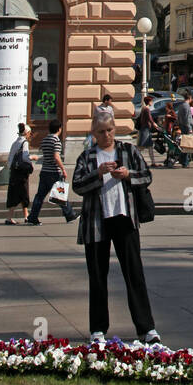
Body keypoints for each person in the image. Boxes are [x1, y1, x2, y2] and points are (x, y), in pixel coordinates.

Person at [72, 109, 160, 345]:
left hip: (125, 218)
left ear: (115, 129)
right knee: (98, 276)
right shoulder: (87, 156)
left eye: (109, 130)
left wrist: (128, 174)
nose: (106, 135)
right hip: (96, 222)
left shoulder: (127, 151)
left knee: (134, 273)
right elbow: (77, 186)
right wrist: (98, 174)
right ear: (94, 133)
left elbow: (146, 176)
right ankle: (98, 329)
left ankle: (146, 328)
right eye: (101, 132)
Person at [27, 120, 77, 225]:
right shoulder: (56, 141)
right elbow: (56, 156)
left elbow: (45, 155)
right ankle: (70, 215)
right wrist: (63, 169)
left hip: (44, 171)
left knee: (40, 196)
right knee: (60, 195)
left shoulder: (45, 140)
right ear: (59, 129)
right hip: (54, 172)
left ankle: (33, 217)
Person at [5, 123, 33, 224]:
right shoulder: (24, 143)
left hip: (14, 172)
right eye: (30, 133)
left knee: (16, 194)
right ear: (26, 133)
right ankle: (25, 216)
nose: (30, 135)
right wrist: (32, 159)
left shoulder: (15, 142)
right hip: (21, 173)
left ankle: (23, 216)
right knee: (23, 193)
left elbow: (10, 158)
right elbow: (25, 157)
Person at [137, 94, 157, 168]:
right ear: (149, 102)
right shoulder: (146, 109)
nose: (152, 102)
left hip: (146, 129)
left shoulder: (144, 108)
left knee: (150, 146)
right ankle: (135, 158)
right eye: (151, 101)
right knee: (142, 146)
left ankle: (153, 162)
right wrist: (154, 124)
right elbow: (149, 118)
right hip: (145, 129)